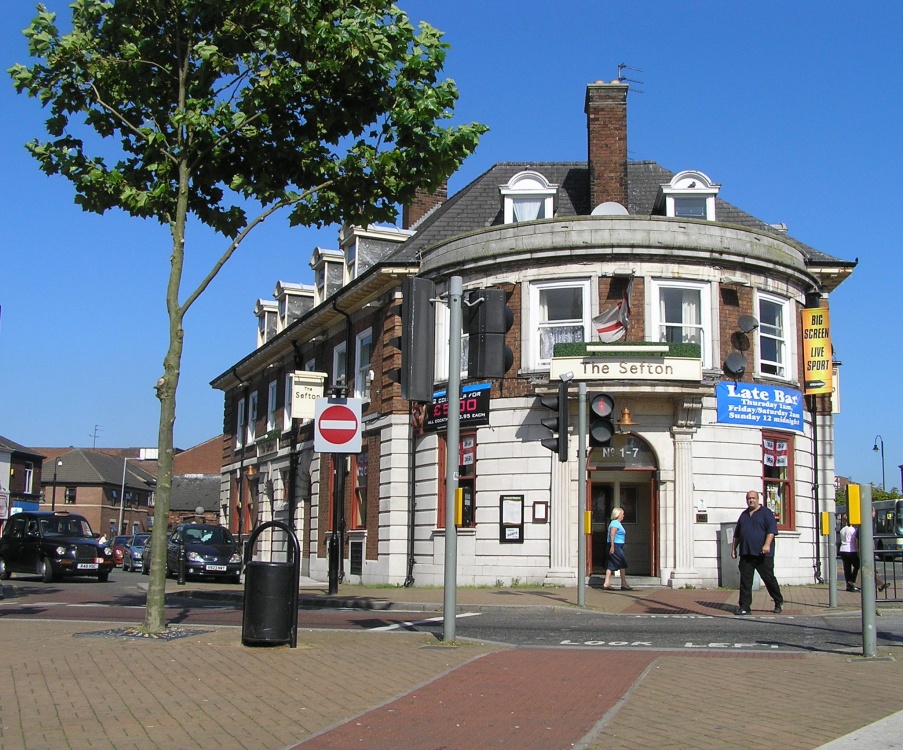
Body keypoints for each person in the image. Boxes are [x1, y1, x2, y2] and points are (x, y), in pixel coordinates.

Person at [731, 490, 783, 615]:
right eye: (749, 498)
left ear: (758, 499)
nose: (751, 500)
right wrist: (733, 549)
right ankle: (744, 607)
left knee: (769, 579)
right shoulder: (743, 515)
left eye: (753, 498)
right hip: (746, 553)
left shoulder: (766, 513)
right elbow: (737, 534)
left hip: (763, 554)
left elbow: (771, 530)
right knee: (745, 581)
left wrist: (767, 544)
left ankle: (778, 601)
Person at [602, 507, 633, 591]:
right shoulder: (615, 523)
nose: (623, 515)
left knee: (611, 564)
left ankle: (606, 583)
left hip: (616, 545)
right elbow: (612, 534)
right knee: (623, 563)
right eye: (622, 514)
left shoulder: (616, 523)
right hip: (615, 546)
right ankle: (623, 583)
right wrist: (612, 546)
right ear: (618, 514)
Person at [837, 515, 860, 592]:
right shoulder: (853, 529)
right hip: (851, 550)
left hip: (843, 550)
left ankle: (848, 585)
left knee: (847, 568)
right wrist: (857, 550)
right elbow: (854, 541)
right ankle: (851, 581)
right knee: (857, 565)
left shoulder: (842, 530)